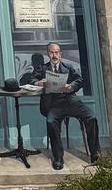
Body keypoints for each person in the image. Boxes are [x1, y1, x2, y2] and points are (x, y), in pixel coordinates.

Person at [30, 41, 100, 170]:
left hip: (71, 101)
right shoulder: (42, 68)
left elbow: (80, 80)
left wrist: (71, 86)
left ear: (60, 54)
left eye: (56, 52)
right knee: (51, 122)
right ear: (48, 54)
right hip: (54, 104)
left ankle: (95, 154)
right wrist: (39, 83)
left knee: (91, 117)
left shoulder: (68, 67)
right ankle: (58, 158)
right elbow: (31, 80)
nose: (54, 55)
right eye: (52, 52)